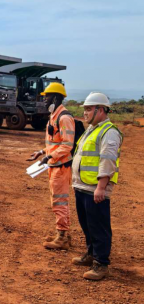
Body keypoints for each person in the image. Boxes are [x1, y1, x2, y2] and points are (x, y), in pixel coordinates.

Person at [71, 92, 122, 281]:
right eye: (84, 108)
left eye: (88, 109)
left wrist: (101, 187)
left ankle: (101, 263)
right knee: (87, 224)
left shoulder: (109, 132)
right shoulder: (91, 129)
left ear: (101, 110)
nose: (84, 113)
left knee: (98, 226)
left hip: (95, 188)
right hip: (83, 185)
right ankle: (91, 254)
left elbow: (107, 161)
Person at [27, 82, 75, 250]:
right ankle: (63, 234)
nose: (45, 99)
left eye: (47, 96)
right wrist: (41, 152)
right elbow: (55, 142)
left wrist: (49, 156)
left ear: (55, 97)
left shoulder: (64, 117)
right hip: (54, 164)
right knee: (59, 200)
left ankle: (61, 236)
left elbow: (67, 145)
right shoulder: (54, 115)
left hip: (60, 166)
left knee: (59, 201)